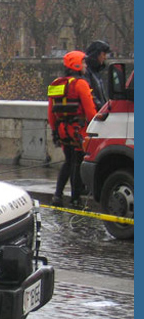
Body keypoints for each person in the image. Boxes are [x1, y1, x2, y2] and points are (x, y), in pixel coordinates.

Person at [47, 50, 98, 206]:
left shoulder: (56, 83)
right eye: (83, 63)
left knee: (68, 162)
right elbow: (90, 111)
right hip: (78, 130)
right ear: (76, 65)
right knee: (77, 163)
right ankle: (75, 198)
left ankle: (57, 195)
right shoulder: (81, 84)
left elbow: (51, 113)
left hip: (63, 130)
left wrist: (55, 130)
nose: (85, 66)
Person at [83, 39, 111, 107]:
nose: (105, 58)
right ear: (96, 55)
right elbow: (89, 95)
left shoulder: (95, 72)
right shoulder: (87, 73)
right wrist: (101, 108)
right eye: (103, 54)